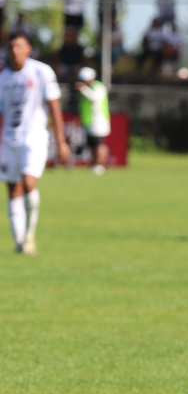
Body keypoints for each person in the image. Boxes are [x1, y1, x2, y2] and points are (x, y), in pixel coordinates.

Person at [0, 32, 70, 254]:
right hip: (9, 138)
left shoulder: (41, 71)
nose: (15, 50)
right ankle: (19, 241)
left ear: (29, 49)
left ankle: (30, 236)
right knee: (13, 189)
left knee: (29, 183)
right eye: (11, 47)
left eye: (19, 46)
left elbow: (54, 105)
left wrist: (60, 140)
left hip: (34, 136)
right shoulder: (3, 78)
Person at [75, 67, 111, 175]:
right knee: (92, 144)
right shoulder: (88, 88)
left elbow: (94, 98)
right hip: (89, 121)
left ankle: (101, 164)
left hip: (98, 120)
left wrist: (83, 89)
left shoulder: (98, 87)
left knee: (99, 143)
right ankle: (94, 163)